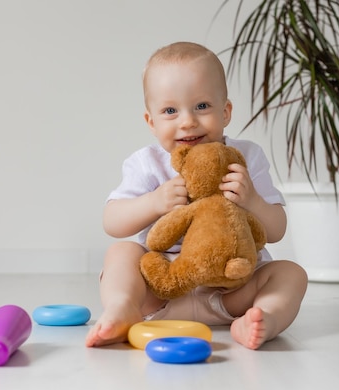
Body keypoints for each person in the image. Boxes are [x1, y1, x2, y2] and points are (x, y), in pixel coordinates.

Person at [85, 41, 307, 350]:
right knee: (121, 253)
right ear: (152, 122)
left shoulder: (246, 157)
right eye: (170, 111)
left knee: (291, 273)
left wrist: (252, 201)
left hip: (231, 288)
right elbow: (112, 221)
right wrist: (153, 202)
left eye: (202, 106)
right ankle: (123, 307)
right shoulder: (146, 163)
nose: (187, 121)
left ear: (225, 111)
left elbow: (277, 230)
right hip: (162, 288)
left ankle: (262, 318)